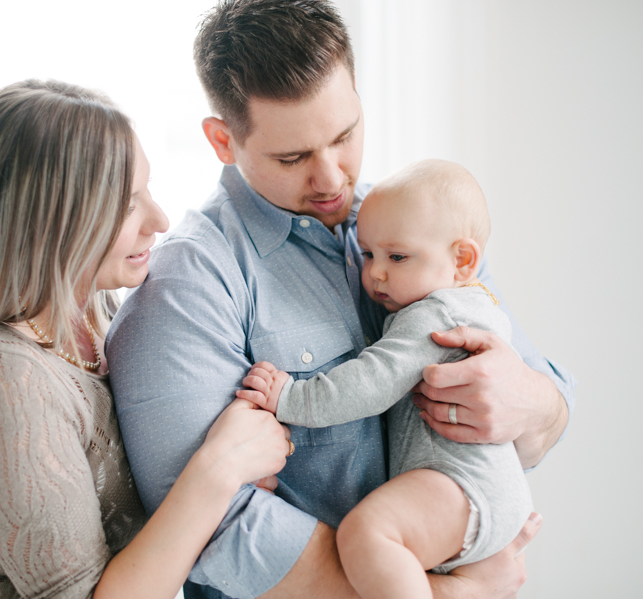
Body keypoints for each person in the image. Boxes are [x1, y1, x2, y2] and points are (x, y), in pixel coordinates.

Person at [106, 1, 576, 598]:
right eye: (293, 157)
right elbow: (213, 529)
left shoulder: (410, 224)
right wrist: (448, 593)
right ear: (223, 140)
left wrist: (528, 403)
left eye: (345, 135)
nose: (331, 178)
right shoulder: (186, 284)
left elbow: (549, 407)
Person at [0, 79, 293, 599]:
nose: (160, 220)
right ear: (45, 223)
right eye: (128, 204)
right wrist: (220, 469)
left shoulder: (99, 318)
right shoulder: (5, 383)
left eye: (147, 190)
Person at [237, 159, 533, 599]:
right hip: (481, 489)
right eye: (368, 253)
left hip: (463, 484)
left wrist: (290, 397)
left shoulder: (436, 316)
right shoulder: (469, 303)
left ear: (462, 260)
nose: (375, 272)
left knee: (366, 533)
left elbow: (371, 382)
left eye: (396, 257)